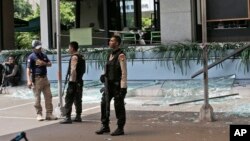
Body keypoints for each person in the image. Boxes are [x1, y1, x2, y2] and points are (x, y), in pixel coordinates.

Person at [95, 35, 128, 136]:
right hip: (108, 85)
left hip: (117, 85)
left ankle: (120, 128)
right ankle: (105, 125)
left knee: (119, 106)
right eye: (110, 40)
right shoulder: (110, 54)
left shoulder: (121, 55)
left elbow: (124, 72)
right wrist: (103, 75)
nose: (109, 42)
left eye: (112, 41)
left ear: (117, 43)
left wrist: (123, 87)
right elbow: (108, 69)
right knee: (104, 103)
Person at [26, 40, 57, 121]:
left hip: (45, 78)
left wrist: (44, 63)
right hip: (36, 79)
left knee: (49, 96)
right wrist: (28, 80)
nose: (39, 49)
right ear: (33, 48)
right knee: (37, 98)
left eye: (40, 47)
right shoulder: (31, 56)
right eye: (37, 48)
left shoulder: (43, 55)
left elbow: (50, 64)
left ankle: (49, 114)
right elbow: (28, 69)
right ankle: (39, 114)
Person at [60, 41, 86, 124]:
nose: (68, 49)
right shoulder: (82, 56)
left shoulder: (74, 57)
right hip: (80, 80)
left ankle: (67, 117)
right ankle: (78, 116)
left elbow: (73, 70)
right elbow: (83, 70)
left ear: (72, 48)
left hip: (74, 81)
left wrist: (72, 81)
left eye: (69, 47)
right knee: (78, 99)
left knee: (69, 98)